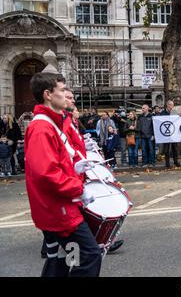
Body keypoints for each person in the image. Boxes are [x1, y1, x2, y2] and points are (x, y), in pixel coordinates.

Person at [26, 71, 102, 277]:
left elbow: (56, 163)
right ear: (48, 95)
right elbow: (46, 173)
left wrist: (75, 168)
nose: (67, 95)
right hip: (59, 208)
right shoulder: (42, 127)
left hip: (62, 204)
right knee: (91, 255)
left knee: (67, 257)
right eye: (61, 90)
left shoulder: (52, 123)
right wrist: (78, 188)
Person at [160, 100, 180, 168]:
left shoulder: (174, 113)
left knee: (175, 149)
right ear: (168, 105)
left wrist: (180, 116)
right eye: (172, 105)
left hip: (174, 134)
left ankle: (176, 161)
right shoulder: (163, 113)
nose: (173, 106)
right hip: (166, 134)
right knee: (166, 149)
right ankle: (167, 163)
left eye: (173, 105)